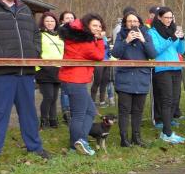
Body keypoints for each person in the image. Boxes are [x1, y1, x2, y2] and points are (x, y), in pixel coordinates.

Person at [0, 0, 49, 163]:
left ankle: (35, 148)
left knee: (29, 113)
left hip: (26, 72)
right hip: (1, 73)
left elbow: (36, 35)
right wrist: (0, 57)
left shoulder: (25, 9)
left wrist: (34, 53)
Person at [59, 13, 106, 155]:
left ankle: (81, 141)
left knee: (90, 111)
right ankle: (75, 146)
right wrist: (100, 39)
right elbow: (99, 56)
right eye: (94, 25)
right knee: (79, 114)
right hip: (75, 80)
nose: (98, 28)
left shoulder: (78, 36)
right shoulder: (84, 42)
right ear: (86, 26)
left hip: (74, 79)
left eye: (100, 26)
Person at [111, 9, 156, 147]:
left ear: (139, 22)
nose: (132, 23)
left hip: (141, 77)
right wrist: (126, 41)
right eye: (129, 21)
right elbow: (116, 53)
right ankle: (124, 139)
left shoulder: (146, 34)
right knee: (124, 110)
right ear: (125, 23)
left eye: (135, 21)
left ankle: (136, 137)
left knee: (138, 110)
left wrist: (143, 40)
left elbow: (152, 54)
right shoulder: (121, 35)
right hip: (125, 78)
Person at [149, 7, 185, 144]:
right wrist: (172, 38)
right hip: (162, 69)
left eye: (171, 17)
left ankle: (166, 130)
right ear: (159, 17)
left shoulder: (173, 30)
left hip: (176, 68)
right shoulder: (152, 32)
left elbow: (181, 50)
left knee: (175, 100)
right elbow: (156, 50)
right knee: (167, 100)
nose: (169, 20)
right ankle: (167, 132)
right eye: (166, 17)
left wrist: (182, 39)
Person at [36, 12, 64, 129]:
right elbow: (36, 52)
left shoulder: (59, 36)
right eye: (47, 21)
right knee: (48, 96)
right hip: (44, 70)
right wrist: (42, 66)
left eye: (52, 21)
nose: (50, 23)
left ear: (56, 22)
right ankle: (44, 121)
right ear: (43, 22)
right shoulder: (39, 35)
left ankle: (53, 120)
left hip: (58, 70)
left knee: (54, 97)